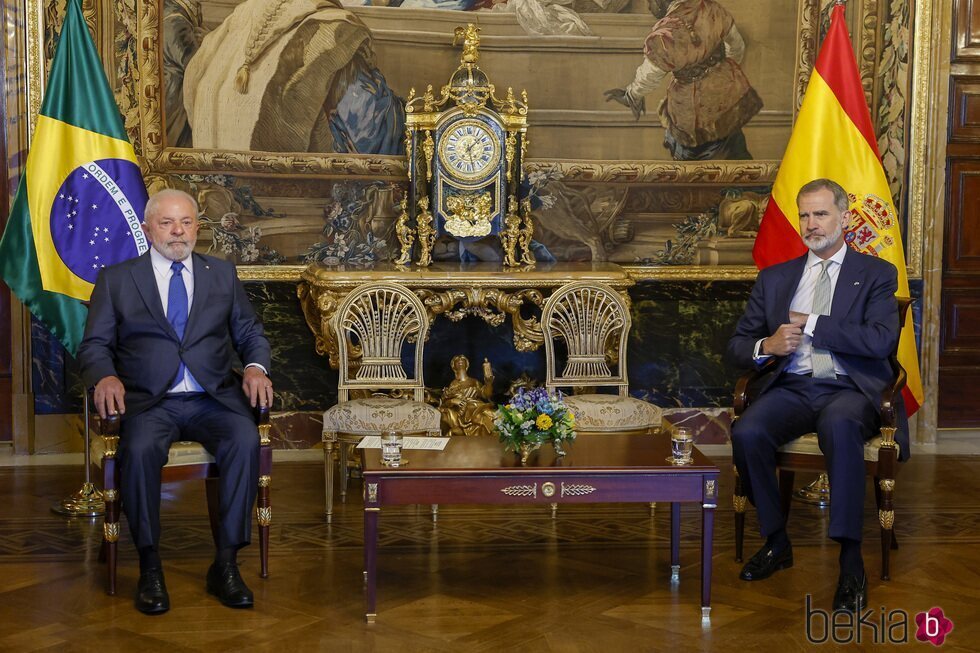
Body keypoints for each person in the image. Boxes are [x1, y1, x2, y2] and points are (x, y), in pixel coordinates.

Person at [78, 189, 273, 615]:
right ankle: (150, 566)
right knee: (140, 449)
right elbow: (93, 345)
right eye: (167, 223)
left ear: (198, 228)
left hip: (212, 398)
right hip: (150, 402)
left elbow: (251, 333)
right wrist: (105, 376)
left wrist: (257, 367)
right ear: (148, 229)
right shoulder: (118, 279)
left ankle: (225, 564)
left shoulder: (221, 274)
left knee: (244, 439)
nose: (177, 231)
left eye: (185, 222)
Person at [725, 179, 909, 612]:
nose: (811, 224)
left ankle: (850, 561)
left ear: (844, 218)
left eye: (821, 214)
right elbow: (737, 345)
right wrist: (765, 347)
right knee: (748, 432)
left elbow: (880, 341)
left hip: (850, 389)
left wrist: (810, 323)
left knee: (839, 423)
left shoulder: (876, 273)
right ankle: (776, 540)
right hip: (794, 386)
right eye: (805, 215)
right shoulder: (776, 278)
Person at [182, 0, 404, 154]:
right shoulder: (332, 33)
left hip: (221, 211)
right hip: (303, 215)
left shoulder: (221, 36)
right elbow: (371, 136)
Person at [604, 0, 762, 160]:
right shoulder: (711, 9)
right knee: (735, 151)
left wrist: (631, 95)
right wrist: (722, 72)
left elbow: (650, 76)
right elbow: (737, 46)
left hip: (693, 108)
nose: (649, 7)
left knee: (692, 164)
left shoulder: (665, 35)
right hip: (729, 96)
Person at [439, 355, 496, 437]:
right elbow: (445, 402)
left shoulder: (474, 382)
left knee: (491, 414)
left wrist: (488, 384)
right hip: (464, 410)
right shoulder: (453, 384)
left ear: (467, 365)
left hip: (477, 406)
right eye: (457, 361)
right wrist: (453, 401)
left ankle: (496, 434)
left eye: (462, 360)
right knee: (481, 417)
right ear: (454, 367)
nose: (460, 361)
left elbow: (485, 394)